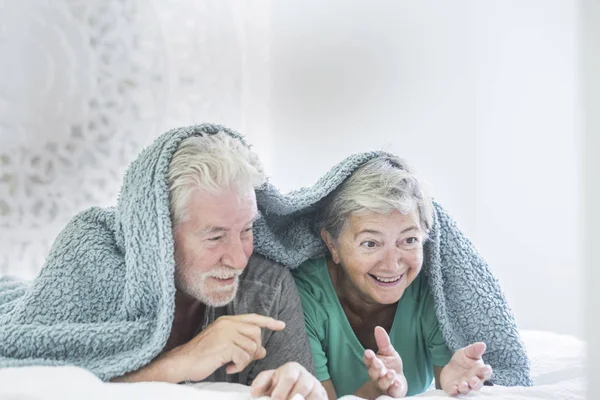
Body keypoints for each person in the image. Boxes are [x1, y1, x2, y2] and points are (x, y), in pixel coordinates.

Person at [113, 132, 326, 399]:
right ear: (159, 234)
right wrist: (181, 362)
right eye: (215, 237)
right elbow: (54, 380)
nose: (238, 260)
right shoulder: (99, 272)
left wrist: (301, 388)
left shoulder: (268, 290)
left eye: (247, 229)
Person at [292, 155, 493, 399]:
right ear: (332, 245)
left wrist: (453, 387)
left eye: (409, 240)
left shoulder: (433, 292)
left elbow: (448, 383)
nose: (392, 264)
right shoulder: (304, 297)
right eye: (370, 243)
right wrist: (377, 391)